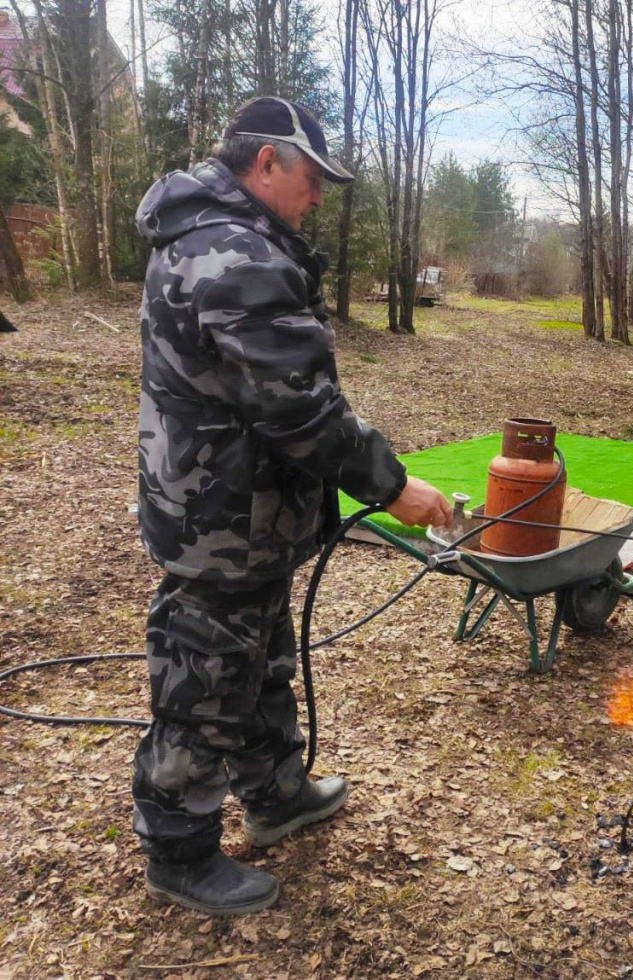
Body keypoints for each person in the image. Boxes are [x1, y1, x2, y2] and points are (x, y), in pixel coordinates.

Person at [132, 96, 452, 916]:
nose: (317, 198)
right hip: (219, 516)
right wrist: (394, 487)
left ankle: (276, 793)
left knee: (261, 656)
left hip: (242, 509)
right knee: (204, 681)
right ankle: (179, 851)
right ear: (267, 161)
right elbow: (299, 409)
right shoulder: (233, 253)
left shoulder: (231, 236)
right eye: (312, 180)